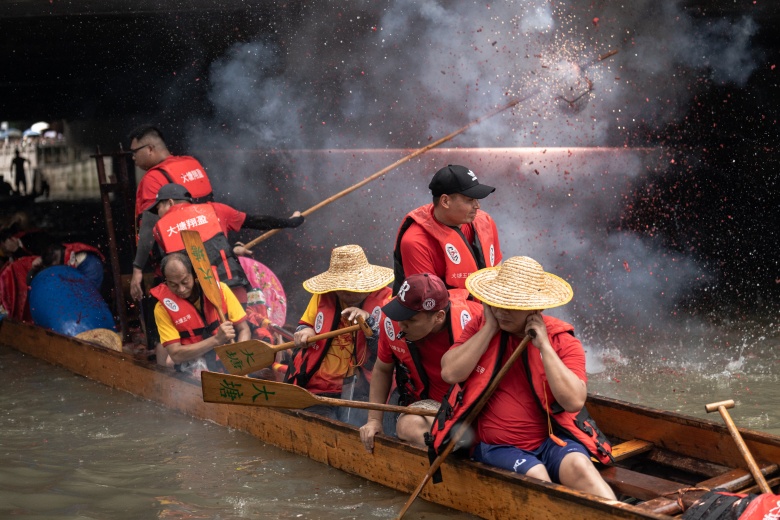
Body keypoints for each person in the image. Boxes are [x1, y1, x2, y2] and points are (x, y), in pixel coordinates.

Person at [434, 256, 615, 499]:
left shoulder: (562, 340)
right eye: (496, 302)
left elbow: (574, 402)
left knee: (581, 468)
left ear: (535, 308)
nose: (501, 311)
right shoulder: (480, 326)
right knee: (537, 476)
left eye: (511, 305)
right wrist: (489, 329)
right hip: (497, 447)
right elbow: (449, 372)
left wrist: (545, 348)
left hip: (552, 440)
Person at [359, 273, 483, 453]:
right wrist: (374, 421)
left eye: (411, 320)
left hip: (474, 405)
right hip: (431, 407)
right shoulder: (393, 323)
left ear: (439, 317)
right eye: (400, 315)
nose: (401, 325)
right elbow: (382, 369)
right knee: (408, 425)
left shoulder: (475, 319)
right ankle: (451, 454)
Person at [285, 244, 394, 426]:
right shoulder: (322, 297)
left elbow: (390, 349)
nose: (348, 294)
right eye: (342, 288)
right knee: (320, 423)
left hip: (366, 390)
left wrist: (370, 323)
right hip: (320, 388)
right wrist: (304, 331)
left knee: (364, 425)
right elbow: (305, 324)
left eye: (353, 288)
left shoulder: (387, 300)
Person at [150, 183, 303, 306]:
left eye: (158, 208)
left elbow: (181, 261)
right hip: (233, 289)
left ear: (170, 202)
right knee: (246, 331)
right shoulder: (215, 209)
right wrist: (290, 222)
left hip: (200, 299)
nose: (159, 214)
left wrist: (232, 250)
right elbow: (258, 221)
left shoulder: (159, 229)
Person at [128, 124, 215, 301]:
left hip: (178, 266)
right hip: (212, 256)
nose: (133, 158)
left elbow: (148, 228)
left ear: (150, 149)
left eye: (135, 152)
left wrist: (138, 269)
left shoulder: (153, 179)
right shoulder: (192, 164)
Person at [393, 164, 502, 294]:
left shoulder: (486, 222)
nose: (477, 206)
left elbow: (497, 273)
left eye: (477, 199)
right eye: (470, 199)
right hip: (442, 312)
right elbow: (428, 304)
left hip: (487, 309)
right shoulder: (415, 242)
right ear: (445, 201)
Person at [151, 252, 250, 377]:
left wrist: (238, 358)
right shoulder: (162, 309)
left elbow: (244, 329)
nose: (181, 289)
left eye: (185, 281)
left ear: (193, 275)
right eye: (173, 285)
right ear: (166, 282)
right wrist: (216, 340)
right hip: (191, 371)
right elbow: (175, 355)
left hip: (226, 363)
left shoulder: (221, 290)